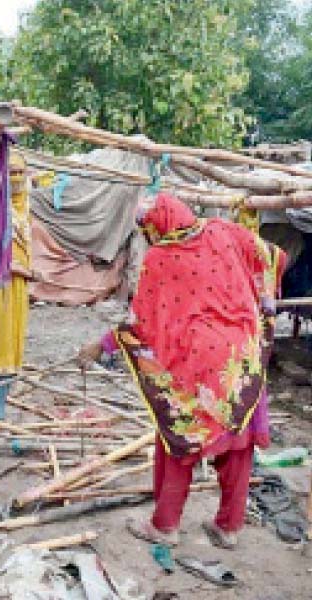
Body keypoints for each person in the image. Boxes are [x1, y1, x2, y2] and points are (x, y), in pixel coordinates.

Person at [79, 192, 286, 549]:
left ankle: (166, 526)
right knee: (238, 442)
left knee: (180, 437)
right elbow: (272, 255)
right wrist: (263, 301)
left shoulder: (161, 258)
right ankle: (229, 528)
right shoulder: (223, 229)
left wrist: (102, 345)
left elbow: (141, 323)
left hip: (195, 364)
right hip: (242, 353)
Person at [0, 151, 36, 419]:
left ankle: (0, 409)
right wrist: (12, 266)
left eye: (20, 172)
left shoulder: (25, 206)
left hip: (19, 287)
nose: (16, 178)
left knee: (14, 346)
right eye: (11, 172)